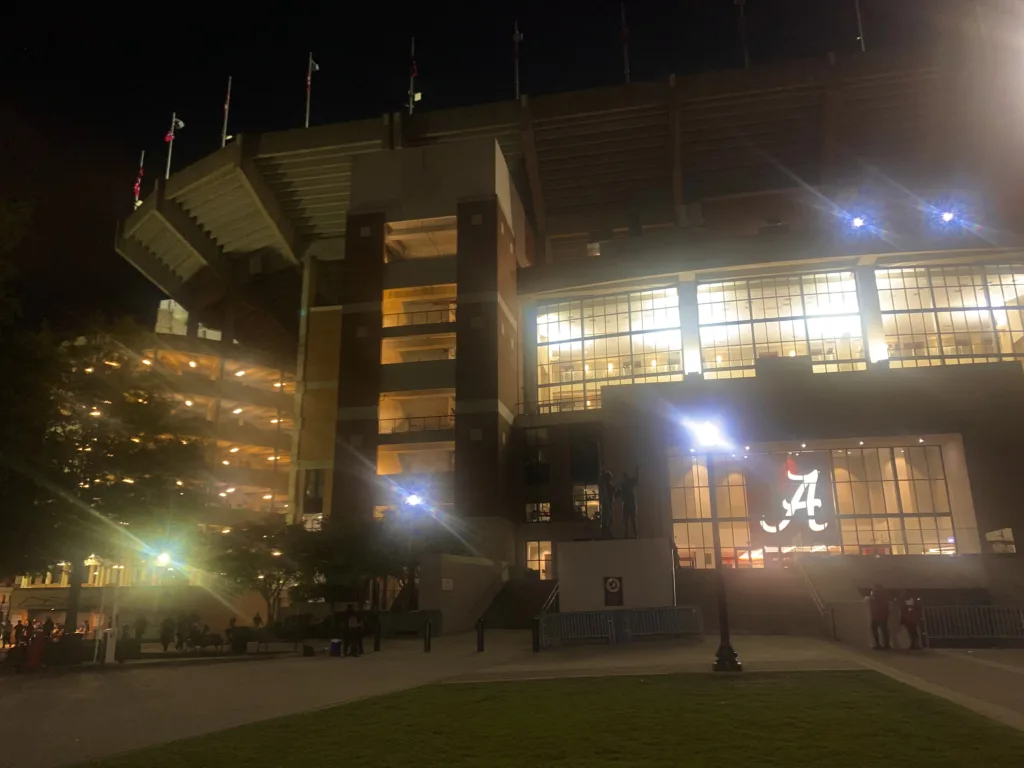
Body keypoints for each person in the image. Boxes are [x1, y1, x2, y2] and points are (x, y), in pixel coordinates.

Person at [618, 467, 640, 539]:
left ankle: (632, 533)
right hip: (628, 504)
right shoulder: (626, 484)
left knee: (630, 520)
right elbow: (637, 479)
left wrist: (637, 471)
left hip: (629, 503)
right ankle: (629, 533)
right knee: (628, 520)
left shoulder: (628, 483)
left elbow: (637, 480)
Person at [868, 583, 891, 650]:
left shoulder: (876, 595)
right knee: (884, 630)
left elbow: (874, 604)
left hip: (876, 615)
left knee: (874, 629)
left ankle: (878, 644)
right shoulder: (885, 595)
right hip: (883, 615)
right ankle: (887, 644)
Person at [598, 470, 616, 537]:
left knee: (607, 519)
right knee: (607, 519)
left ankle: (606, 532)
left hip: (607, 504)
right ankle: (607, 532)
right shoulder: (608, 487)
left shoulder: (607, 487)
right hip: (607, 504)